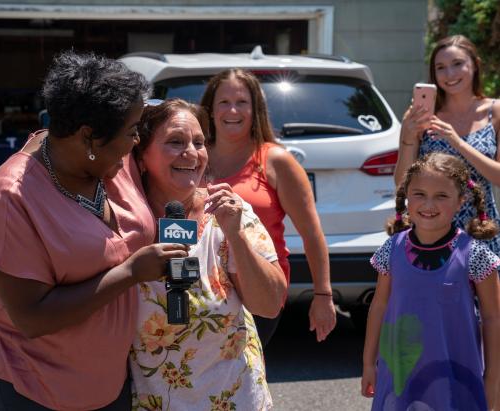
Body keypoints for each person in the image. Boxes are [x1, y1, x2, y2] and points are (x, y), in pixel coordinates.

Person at [0, 51, 189, 410]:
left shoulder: (112, 160)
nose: (136, 142)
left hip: (109, 378)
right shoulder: (11, 198)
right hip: (32, 384)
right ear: (88, 137)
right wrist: (131, 272)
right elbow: (32, 317)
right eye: (132, 132)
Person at [129, 98, 286, 410]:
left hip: (235, 398)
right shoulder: (122, 223)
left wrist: (235, 234)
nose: (192, 152)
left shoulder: (228, 213)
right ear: (141, 157)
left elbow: (269, 304)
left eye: (199, 142)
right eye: (176, 141)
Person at [199, 69, 336, 346]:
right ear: (211, 110)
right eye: (223, 102)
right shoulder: (195, 155)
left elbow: (311, 234)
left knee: (243, 373)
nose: (233, 110)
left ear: (256, 109)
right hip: (203, 285)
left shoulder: (275, 160)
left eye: (242, 102)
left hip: (258, 287)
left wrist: (323, 296)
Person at [362, 152, 500, 410]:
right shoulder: (391, 249)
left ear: (461, 201)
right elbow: (378, 306)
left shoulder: (475, 255)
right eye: (419, 194)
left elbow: (494, 318)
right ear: (406, 197)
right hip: (399, 376)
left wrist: (493, 378)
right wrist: (369, 363)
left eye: (442, 196)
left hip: (457, 377)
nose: (428, 204)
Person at [394, 34, 500, 256]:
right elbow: (401, 183)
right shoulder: (420, 116)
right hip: (430, 232)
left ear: (475, 65)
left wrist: (457, 142)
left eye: (457, 64)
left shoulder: (495, 112)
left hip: (480, 229)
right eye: (440, 67)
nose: (449, 74)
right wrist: (409, 137)